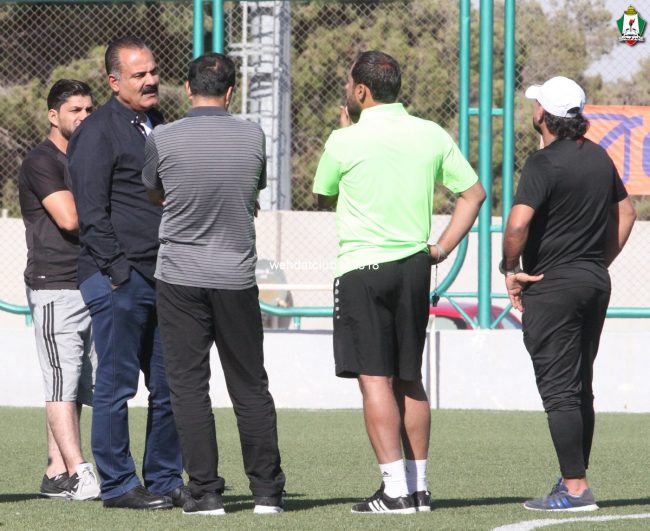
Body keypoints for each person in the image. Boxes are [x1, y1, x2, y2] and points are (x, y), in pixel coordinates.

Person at [313, 50, 485, 514]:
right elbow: (474, 194)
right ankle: (419, 488)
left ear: (361, 91)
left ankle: (394, 491)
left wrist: (345, 134)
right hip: (414, 265)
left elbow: (324, 192)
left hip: (362, 269)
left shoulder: (344, 139)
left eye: (349, 84)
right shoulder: (430, 133)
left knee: (375, 379)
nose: (346, 90)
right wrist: (441, 248)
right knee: (409, 376)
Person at [142, 52, 285, 516]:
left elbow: (154, 190)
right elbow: (251, 190)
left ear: (187, 89)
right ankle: (267, 492)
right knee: (249, 385)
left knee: (187, 386)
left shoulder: (163, 137)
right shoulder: (253, 135)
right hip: (236, 277)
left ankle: (205, 492)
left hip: (179, 276)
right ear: (231, 92)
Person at [501, 76, 636, 511]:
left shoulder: (542, 163)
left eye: (536, 104)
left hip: (552, 286)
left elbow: (518, 223)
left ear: (543, 113)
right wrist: (597, 263)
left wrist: (510, 269)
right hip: (593, 282)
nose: (533, 110)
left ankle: (576, 488)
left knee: (560, 389)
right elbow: (627, 213)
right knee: (580, 386)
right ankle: (573, 478)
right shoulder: (598, 156)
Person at [68, 36, 185, 510]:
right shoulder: (96, 131)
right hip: (118, 277)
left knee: (170, 384)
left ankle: (163, 478)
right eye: (140, 75)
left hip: (165, 275)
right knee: (116, 387)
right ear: (114, 82)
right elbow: (91, 211)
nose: (151, 80)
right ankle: (118, 485)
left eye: (153, 71)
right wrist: (118, 272)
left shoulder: (158, 123)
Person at [18, 79, 100, 501]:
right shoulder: (41, 161)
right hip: (55, 286)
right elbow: (69, 218)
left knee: (78, 381)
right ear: (54, 116)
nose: (84, 117)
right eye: (75, 110)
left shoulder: (88, 158)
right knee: (60, 381)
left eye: (89, 110)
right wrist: (111, 208)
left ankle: (57, 472)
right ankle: (80, 471)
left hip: (90, 281)